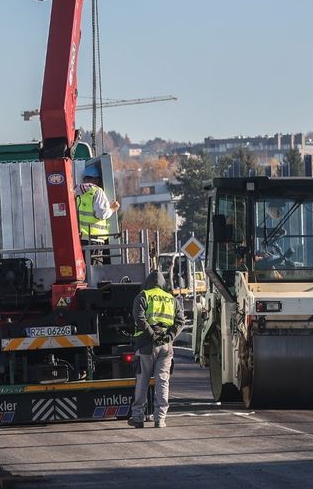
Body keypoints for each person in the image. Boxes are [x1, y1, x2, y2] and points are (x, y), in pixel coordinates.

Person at [128, 270, 185, 429]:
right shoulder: (171, 299)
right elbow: (181, 321)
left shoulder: (143, 296)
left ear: (148, 283)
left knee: (142, 382)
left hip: (146, 345)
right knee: (162, 382)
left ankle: (138, 418)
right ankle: (160, 419)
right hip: (166, 347)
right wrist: (169, 337)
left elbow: (139, 318)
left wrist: (152, 335)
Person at [76, 164, 119, 264]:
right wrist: (112, 209)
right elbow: (102, 213)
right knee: (95, 270)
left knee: (84, 268)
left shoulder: (77, 192)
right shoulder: (97, 191)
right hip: (94, 239)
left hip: (81, 239)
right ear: (96, 180)